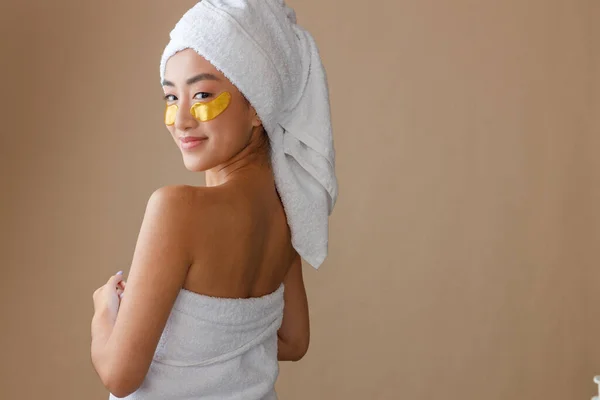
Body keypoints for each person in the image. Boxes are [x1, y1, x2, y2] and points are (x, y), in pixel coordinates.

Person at [91, 1, 337, 399]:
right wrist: (203, 340)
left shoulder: (176, 209)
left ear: (257, 104)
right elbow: (293, 341)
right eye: (171, 98)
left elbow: (120, 375)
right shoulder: (289, 212)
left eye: (202, 94)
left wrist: (104, 313)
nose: (182, 119)